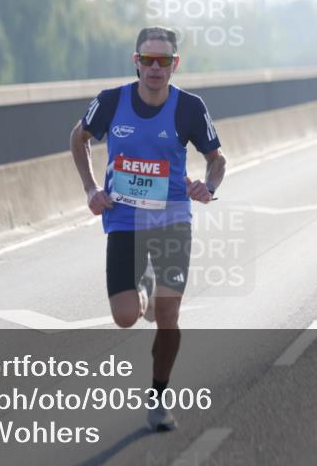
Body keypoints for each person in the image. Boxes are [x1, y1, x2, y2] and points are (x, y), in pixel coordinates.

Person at [69, 26, 226, 432]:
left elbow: (217, 159)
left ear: (175, 64)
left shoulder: (189, 107)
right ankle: (143, 290)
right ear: (136, 62)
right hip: (124, 218)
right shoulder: (111, 101)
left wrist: (207, 187)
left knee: (168, 314)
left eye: (163, 60)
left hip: (172, 217)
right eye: (148, 60)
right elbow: (78, 137)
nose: (155, 68)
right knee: (125, 317)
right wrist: (90, 188)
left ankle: (158, 398)